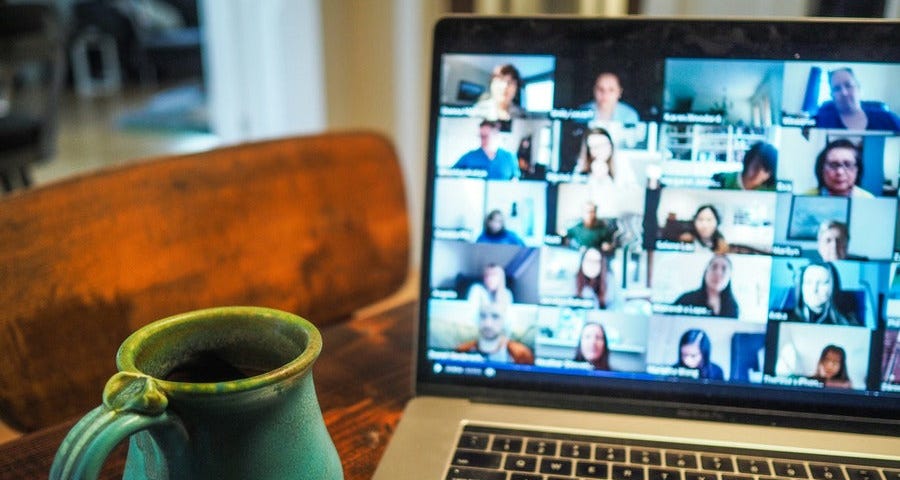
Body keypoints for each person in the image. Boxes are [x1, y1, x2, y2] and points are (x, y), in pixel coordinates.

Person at [574, 126, 638, 217]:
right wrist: (596, 179)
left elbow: (633, 196)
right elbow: (580, 202)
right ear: (589, 150)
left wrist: (606, 180)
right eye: (595, 147)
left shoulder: (622, 162)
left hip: (618, 217)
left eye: (604, 145)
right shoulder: (581, 167)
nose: (600, 150)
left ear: (611, 144)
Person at [814, 68, 900, 131]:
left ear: (859, 89)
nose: (844, 93)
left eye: (848, 85)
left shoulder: (887, 118)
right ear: (831, 95)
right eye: (837, 88)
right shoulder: (821, 122)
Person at [455, 301, 534, 364]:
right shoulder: (463, 350)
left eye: (495, 316)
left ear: (506, 321)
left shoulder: (521, 354)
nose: (487, 323)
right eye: (482, 316)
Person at [789, 262, 861, 326]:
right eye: (808, 282)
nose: (814, 289)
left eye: (822, 283)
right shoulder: (787, 319)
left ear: (833, 287)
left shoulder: (848, 323)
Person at [674, 255, 740, 318]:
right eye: (714, 267)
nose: (718, 273)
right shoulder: (686, 300)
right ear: (706, 271)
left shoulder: (733, 307)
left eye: (724, 269)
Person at [452, 119, 520, 180]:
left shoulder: (509, 157)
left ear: (495, 134)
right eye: (481, 136)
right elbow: (451, 175)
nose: (482, 139)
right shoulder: (469, 157)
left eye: (485, 136)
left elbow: (515, 180)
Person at [804, 139, 873, 198]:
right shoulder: (806, 198)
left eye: (847, 165)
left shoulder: (868, 200)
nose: (840, 172)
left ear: (857, 169)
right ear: (821, 168)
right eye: (833, 165)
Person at [712, 142, 778, 191]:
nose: (759, 173)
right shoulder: (723, 181)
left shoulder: (771, 191)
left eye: (766, 170)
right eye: (756, 166)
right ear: (748, 161)